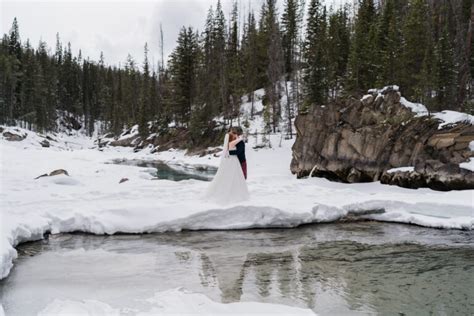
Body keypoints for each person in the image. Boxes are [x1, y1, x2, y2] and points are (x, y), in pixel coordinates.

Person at [204, 128, 249, 205]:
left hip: (240, 161)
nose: (236, 136)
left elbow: (238, 151)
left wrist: (229, 152)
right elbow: (234, 150)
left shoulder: (238, 142)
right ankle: (236, 191)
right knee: (236, 176)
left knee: (240, 176)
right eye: (234, 135)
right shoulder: (233, 143)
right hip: (234, 161)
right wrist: (229, 152)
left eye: (235, 134)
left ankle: (238, 190)